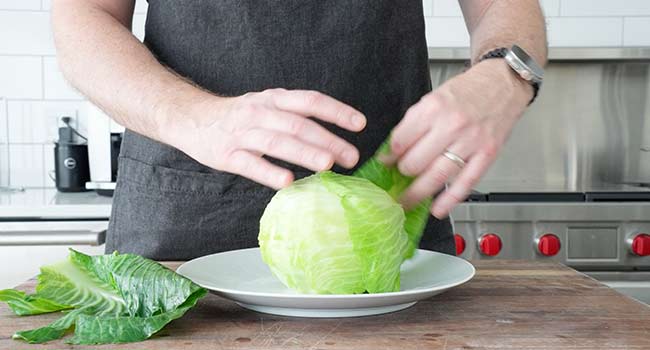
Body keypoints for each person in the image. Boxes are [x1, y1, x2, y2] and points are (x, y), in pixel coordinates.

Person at [51, 0, 547, 260]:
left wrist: (505, 74)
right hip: (180, 228)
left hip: (382, 222)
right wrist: (190, 115)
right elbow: (83, 14)